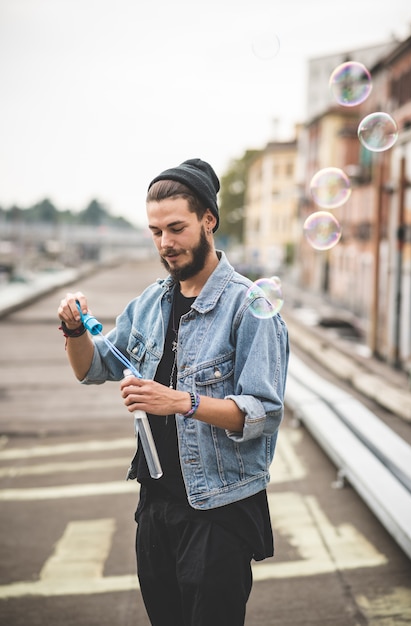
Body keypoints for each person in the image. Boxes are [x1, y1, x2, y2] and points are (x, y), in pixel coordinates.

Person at [57, 158, 289, 626]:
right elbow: (93, 367)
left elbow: (262, 414)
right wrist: (73, 331)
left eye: (177, 227)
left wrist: (182, 401)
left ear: (209, 220)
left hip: (218, 510)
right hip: (156, 506)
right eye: (156, 230)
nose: (166, 243)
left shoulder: (250, 307)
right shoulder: (149, 302)